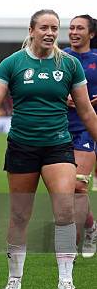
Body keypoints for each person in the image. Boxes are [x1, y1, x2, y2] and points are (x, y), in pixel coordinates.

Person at [0, 9, 97, 289]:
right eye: (44, 28)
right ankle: (14, 278)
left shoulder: (70, 65)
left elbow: (87, 112)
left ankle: (66, 281)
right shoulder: (12, 63)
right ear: (31, 29)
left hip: (58, 145)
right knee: (19, 214)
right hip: (22, 146)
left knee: (64, 210)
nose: (50, 33)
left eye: (55, 28)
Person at [66, 14, 97, 258]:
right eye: (72, 27)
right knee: (65, 190)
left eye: (80, 28)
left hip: (87, 127)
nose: (74, 31)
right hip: (58, 127)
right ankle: (90, 225)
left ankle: (73, 245)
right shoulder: (60, 56)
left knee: (79, 186)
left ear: (92, 34)